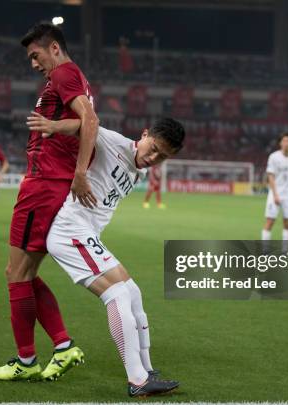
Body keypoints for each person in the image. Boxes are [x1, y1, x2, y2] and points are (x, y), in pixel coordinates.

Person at [34, 116, 185, 397]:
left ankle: (147, 369)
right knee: (117, 295)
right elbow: (86, 126)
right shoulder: (113, 142)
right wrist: (55, 126)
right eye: (152, 148)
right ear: (143, 134)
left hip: (86, 236)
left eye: (162, 157)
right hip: (70, 234)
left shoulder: (138, 171)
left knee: (133, 292)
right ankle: (137, 380)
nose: (153, 158)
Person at [0, 22, 99, 382]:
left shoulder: (65, 74)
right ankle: (62, 345)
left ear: (54, 48)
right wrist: (57, 128)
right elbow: (80, 121)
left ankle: (27, 360)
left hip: (45, 184)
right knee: (22, 273)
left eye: (35, 56)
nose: (34, 64)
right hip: (47, 183)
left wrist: (79, 172)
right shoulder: (72, 77)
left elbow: (90, 120)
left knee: (16, 274)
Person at [261, 133, 288, 243]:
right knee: (270, 221)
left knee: (287, 223)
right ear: (280, 143)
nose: (286, 143)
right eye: (284, 141)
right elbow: (271, 176)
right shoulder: (273, 157)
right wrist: (275, 195)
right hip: (275, 194)